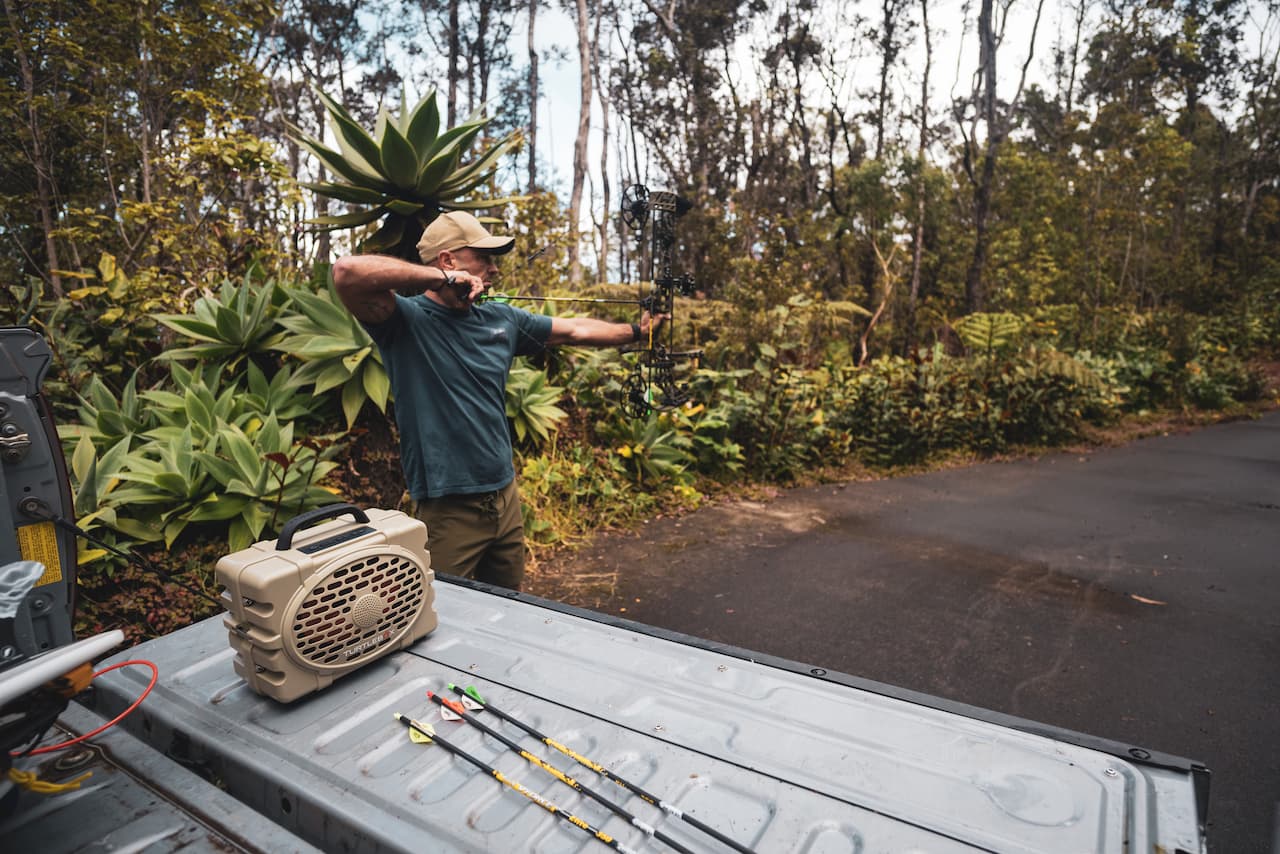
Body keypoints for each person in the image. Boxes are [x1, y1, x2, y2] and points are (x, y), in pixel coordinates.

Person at [332, 211, 664, 591]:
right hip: (448, 507)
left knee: (508, 608)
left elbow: (574, 329)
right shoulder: (405, 322)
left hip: (505, 498)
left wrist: (638, 331)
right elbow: (346, 272)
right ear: (448, 260)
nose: (494, 269)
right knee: (444, 617)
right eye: (484, 259)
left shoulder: (500, 319)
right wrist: (442, 280)